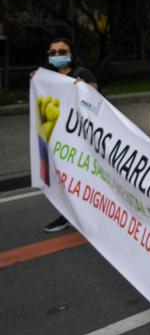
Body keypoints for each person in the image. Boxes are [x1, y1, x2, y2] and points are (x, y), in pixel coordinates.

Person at [40, 37, 98, 233]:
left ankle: (91, 217)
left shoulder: (82, 73)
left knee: (84, 178)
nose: (57, 55)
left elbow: (98, 106)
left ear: (71, 54)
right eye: (53, 52)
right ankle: (69, 214)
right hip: (61, 138)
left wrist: (85, 90)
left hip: (82, 138)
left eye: (62, 52)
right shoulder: (48, 77)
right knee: (66, 179)